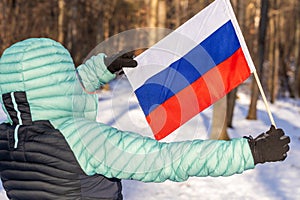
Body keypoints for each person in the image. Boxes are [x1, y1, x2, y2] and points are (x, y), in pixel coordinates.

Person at [0, 38, 290, 200]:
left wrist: (99, 71)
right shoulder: (83, 139)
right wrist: (248, 151)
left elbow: (41, 98)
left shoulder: (7, 137)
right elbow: (167, 159)